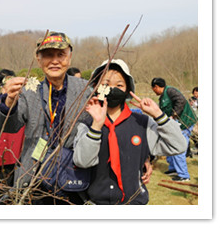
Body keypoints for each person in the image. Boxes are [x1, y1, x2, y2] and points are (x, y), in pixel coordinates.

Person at [0, 31, 93, 204]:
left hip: (72, 178)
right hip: (33, 179)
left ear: (69, 58)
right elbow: (8, 126)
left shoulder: (85, 90)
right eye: (48, 55)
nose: (55, 61)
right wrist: (8, 102)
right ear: (39, 60)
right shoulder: (29, 91)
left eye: (60, 55)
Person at [73, 60, 186, 205]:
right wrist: (96, 125)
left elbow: (179, 146)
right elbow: (83, 161)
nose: (112, 89)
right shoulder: (87, 124)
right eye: (106, 84)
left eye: (119, 85)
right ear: (96, 87)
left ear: (127, 90)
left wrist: (158, 114)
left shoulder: (142, 123)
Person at [0, 69, 25, 204]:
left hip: (9, 151)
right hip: (11, 152)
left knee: (6, 193)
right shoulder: (7, 99)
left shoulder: (15, 100)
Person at [151, 78, 197, 181]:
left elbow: (181, 100)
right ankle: (173, 168)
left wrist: (173, 115)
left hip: (184, 122)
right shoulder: (162, 97)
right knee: (169, 145)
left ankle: (184, 175)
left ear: (156, 87)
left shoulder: (170, 91)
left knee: (178, 147)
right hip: (175, 125)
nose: (154, 91)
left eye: (153, 89)